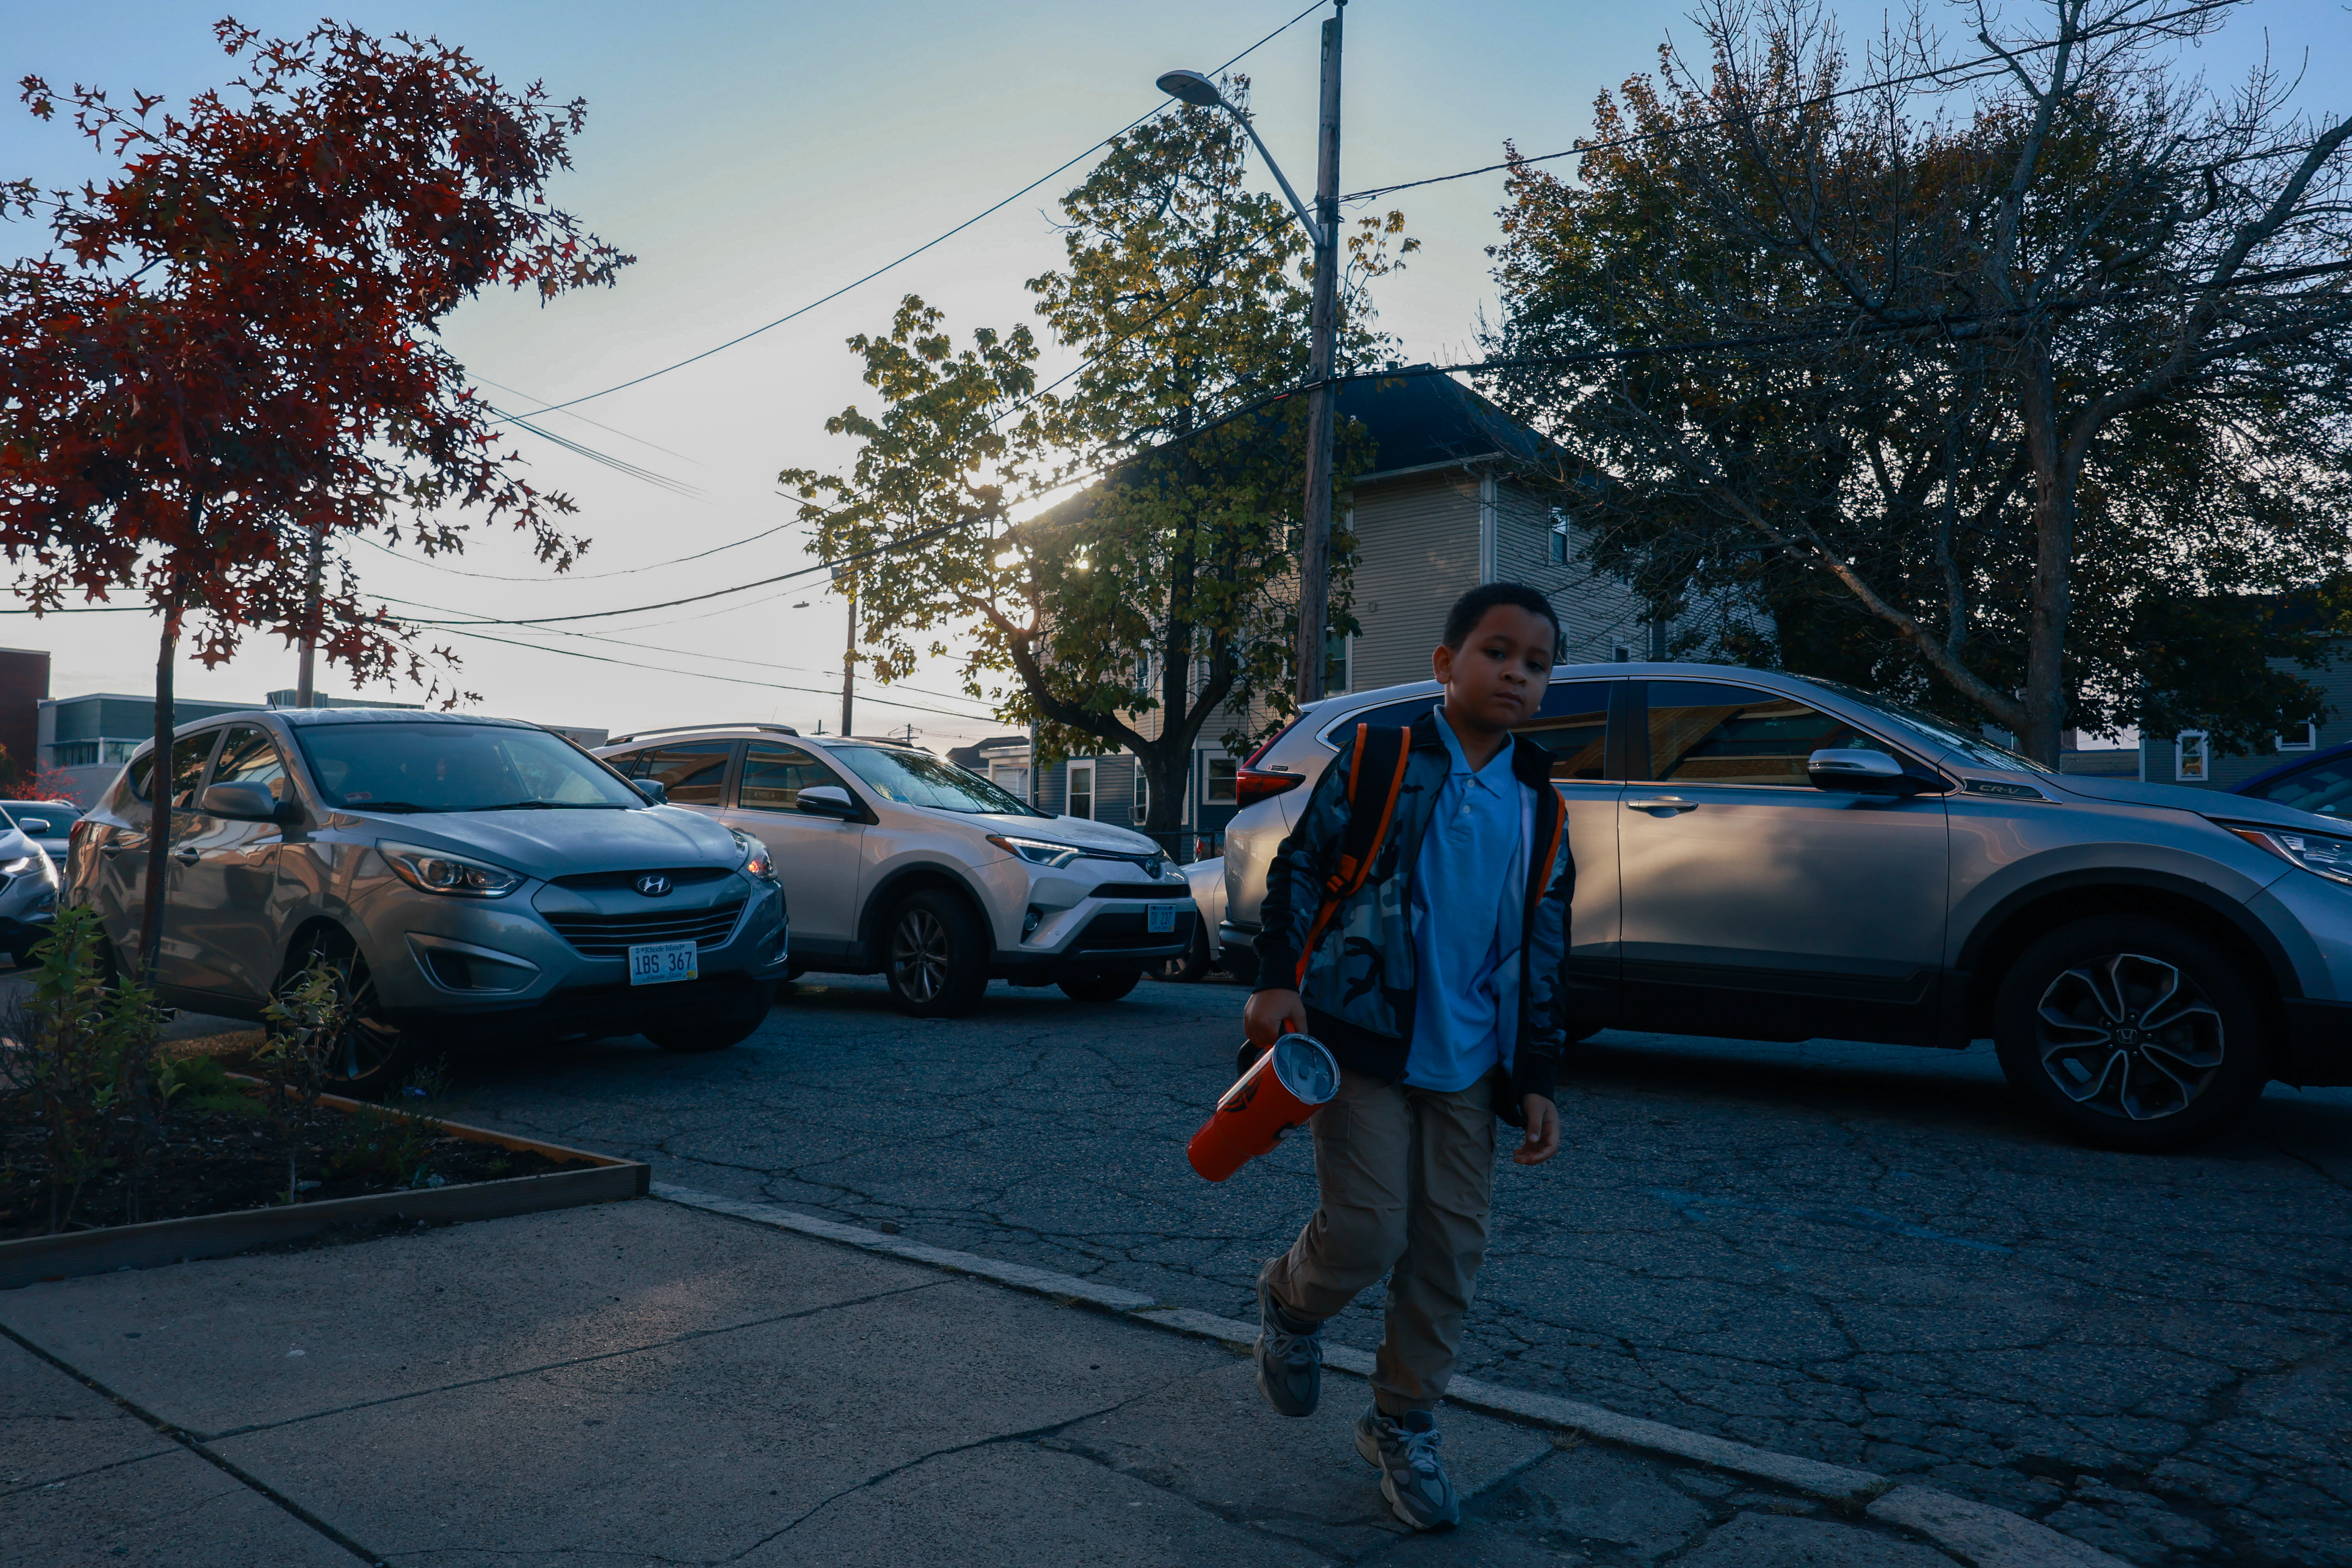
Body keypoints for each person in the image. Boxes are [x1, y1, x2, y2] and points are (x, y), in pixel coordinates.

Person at [1245, 581, 1573, 1532]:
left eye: (1536, 663)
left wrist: (1540, 1077)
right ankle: (1291, 1301)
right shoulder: (1383, 756)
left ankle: (1401, 1420)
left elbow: (1545, 949)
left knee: (1447, 1255)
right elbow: (1302, 866)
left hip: (1470, 1067)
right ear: (1447, 663)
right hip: (1364, 1043)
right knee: (1369, 1230)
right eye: (1497, 651)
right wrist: (1277, 977)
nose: (1516, 672)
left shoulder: (1540, 805)